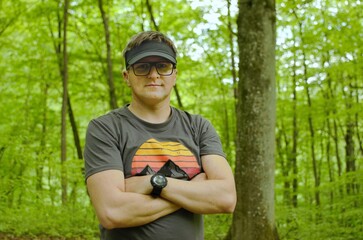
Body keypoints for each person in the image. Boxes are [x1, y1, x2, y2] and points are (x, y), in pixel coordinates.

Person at [84, 30, 237, 240]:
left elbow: (226, 198)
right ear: (127, 77)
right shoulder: (106, 129)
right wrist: (192, 189)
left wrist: (154, 183)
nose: (153, 74)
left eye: (163, 66)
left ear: (175, 75)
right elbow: (112, 212)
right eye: (142, 67)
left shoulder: (199, 127)